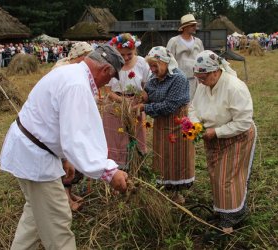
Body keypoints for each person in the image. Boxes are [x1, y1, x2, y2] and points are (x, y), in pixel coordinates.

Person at [0, 44, 128, 250]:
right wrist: (108, 172)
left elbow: (57, 123)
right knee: (58, 222)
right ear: (105, 70)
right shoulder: (77, 85)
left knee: (35, 216)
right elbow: (77, 136)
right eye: (110, 78)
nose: (107, 84)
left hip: (30, 151)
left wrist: (63, 158)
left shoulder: (69, 73)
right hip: (36, 158)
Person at [189, 50, 256, 233]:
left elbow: (243, 121)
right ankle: (222, 211)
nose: (200, 81)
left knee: (228, 178)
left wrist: (216, 131)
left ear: (215, 72)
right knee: (215, 175)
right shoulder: (203, 85)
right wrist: (196, 125)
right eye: (198, 77)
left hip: (237, 136)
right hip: (213, 136)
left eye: (203, 77)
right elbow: (193, 108)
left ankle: (232, 218)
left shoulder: (234, 87)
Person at [132, 46, 195, 204]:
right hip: (161, 124)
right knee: (163, 157)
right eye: (150, 66)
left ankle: (177, 192)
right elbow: (149, 93)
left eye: (155, 65)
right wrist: (144, 96)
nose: (152, 70)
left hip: (177, 123)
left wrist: (145, 107)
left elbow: (170, 106)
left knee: (177, 157)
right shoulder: (154, 78)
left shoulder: (178, 78)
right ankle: (165, 189)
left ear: (166, 63)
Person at [52, 41, 94, 212]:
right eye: (86, 58)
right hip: (59, 127)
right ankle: (65, 199)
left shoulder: (77, 71)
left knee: (73, 162)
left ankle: (69, 193)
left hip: (71, 123)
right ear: (78, 57)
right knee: (64, 165)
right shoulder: (62, 70)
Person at [102, 33, 151, 168]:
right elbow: (107, 91)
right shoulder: (111, 63)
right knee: (116, 136)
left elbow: (147, 86)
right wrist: (123, 101)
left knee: (135, 134)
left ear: (135, 49)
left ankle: (135, 164)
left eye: (129, 54)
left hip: (135, 105)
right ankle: (116, 166)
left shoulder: (142, 63)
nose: (125, 58)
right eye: (121, 55)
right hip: (114, 105)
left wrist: (141, 100)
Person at [167, 13, 204, 100]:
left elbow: (203, 61)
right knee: (182, 107)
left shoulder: (198, 42)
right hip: (180, 82)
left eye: (195, 25)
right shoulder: (174, 41)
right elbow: (168, 61)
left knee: (195, 105)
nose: (195, 27)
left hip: (196, 81)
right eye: (192, 25)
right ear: (185, 27)